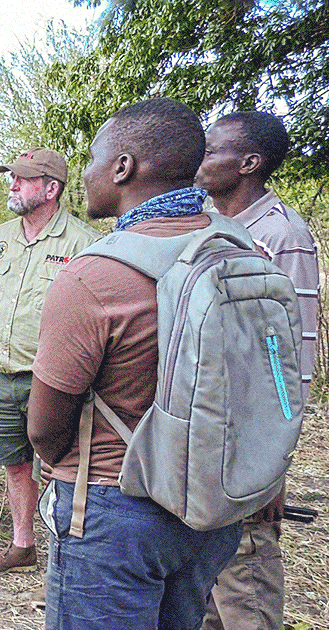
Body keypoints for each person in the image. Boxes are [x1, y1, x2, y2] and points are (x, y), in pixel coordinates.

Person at [28, 97, 243, 629]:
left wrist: (63, 467)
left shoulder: (94, 275)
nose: (86, 173)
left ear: (124, 167)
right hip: (215, 505)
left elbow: (44, 428)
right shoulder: (242, 252)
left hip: (112, 508)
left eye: (93, 159)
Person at [196, 111, 319, 630]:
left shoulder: (282, 234)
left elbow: (293, 359)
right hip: (201, 433)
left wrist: (271, 469)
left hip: (247, 445)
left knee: (245, 581)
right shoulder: (202, 220)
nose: (200, 158)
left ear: (248, 163)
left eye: (211, 149)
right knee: (201, 586)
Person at [0, 147, 99, 578]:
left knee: (64, 467)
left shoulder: (84, 243)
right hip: (1, 374)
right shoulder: (2, 235)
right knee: (15, 462)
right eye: (12, 177)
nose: (13, 184)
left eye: (23, 179)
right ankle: (22, 545)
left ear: (51, 188)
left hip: (54, 378)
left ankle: (67, 560)